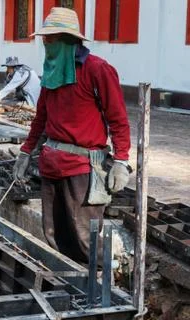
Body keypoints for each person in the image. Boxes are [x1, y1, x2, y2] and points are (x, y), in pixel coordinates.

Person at [13, 7, 131, 264]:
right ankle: (69, 282)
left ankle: (98, 286)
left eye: (51, 37)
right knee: (55, 232)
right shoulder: (52, 71)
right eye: (45, 38)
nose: (46, 42)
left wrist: (121, 160)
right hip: (51, 163)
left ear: (68, 39)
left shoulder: (97, 70)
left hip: (82, 168)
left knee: (84, 235)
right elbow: (40, 118)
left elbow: (118, 119)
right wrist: (25, 151)